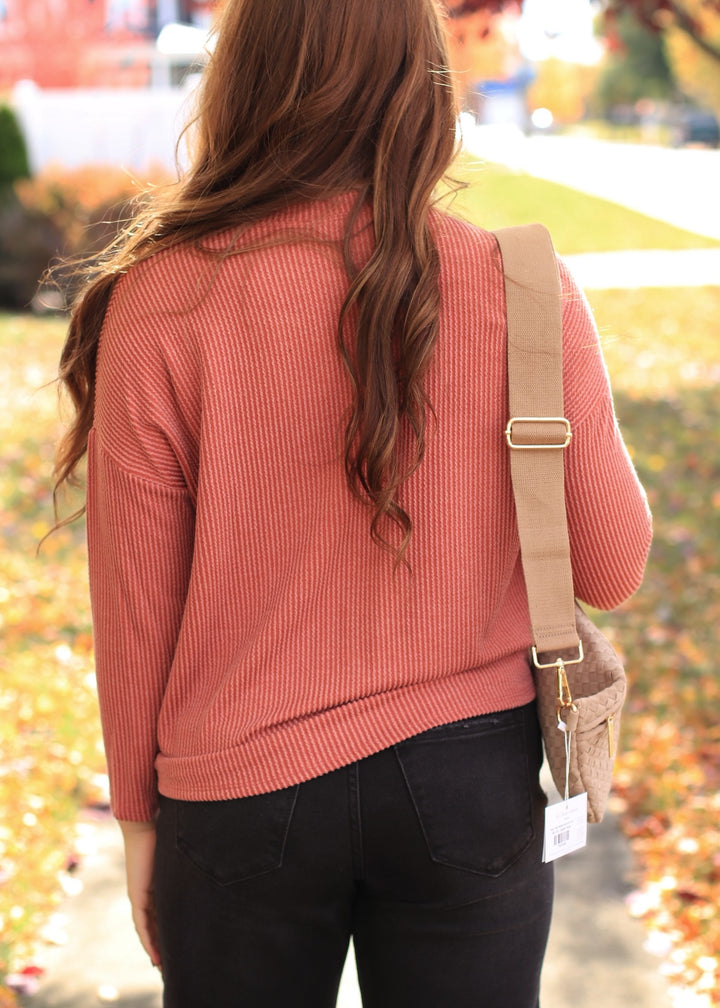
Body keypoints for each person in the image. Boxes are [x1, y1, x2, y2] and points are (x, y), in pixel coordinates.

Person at [53, 1, 652, 1005]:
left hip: (238, 795)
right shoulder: (522, 287)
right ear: (420, 81)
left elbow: (137, 608)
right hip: (471, 786)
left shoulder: (160, 296)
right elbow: (614, 566)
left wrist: (137, 826)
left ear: (241, 82)